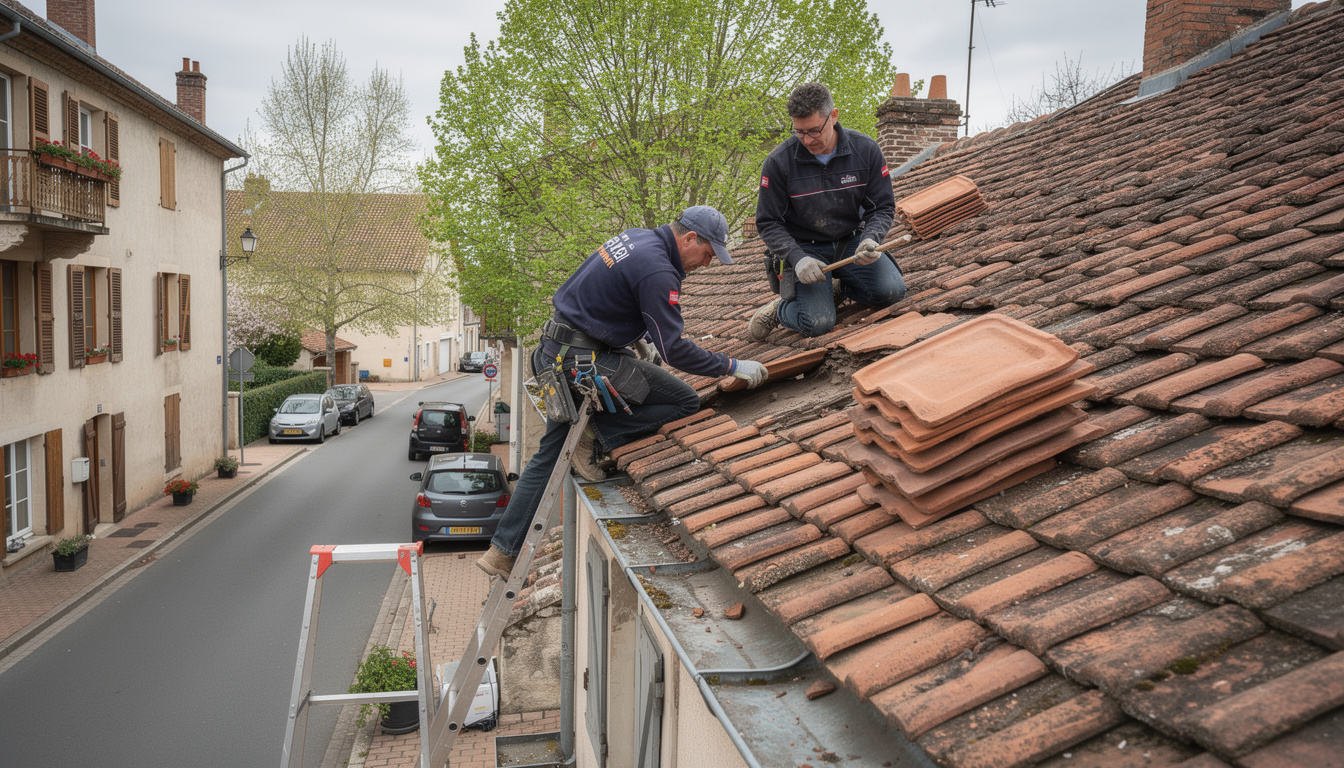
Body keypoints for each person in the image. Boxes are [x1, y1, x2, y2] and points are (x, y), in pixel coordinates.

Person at [477, 206, 769, 578]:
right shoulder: (659, 269)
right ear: (690, 238)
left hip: (555, 351)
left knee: (548, 455)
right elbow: (675, 349)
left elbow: (608, 296)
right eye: (709, 254)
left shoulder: (637, 238)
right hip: (583, 362)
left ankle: (501, 552)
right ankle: (597, 433)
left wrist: (641, 337)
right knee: (685, 400)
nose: (707, 264)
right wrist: (731, 366)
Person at [749, 82, 905, 340]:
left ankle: (840, 286)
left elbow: (883, 206)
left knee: (891, 293)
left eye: (813, 131)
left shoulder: (865, 150)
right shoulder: (779, 162)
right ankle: (782, 309)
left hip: (851, 241)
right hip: (806, 249)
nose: (807, 140)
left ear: (833, 116)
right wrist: (797, 258)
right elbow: (768, 222)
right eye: (799, 132)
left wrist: (871, 238)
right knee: (817, 324)